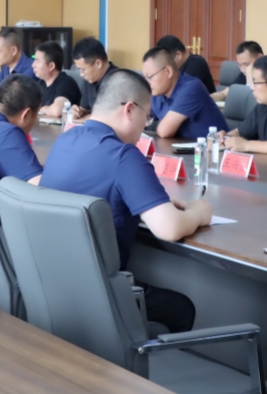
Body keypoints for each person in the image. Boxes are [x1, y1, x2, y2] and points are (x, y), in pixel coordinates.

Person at [41, 69, 212, 333]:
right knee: (181, 308)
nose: (146, 126)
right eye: (147, 116)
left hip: (52, 285)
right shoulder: (124, 156)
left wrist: (156, 202)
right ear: (129, 109)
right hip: (100, 293)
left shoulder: (66, 140)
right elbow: (169, 229)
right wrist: (199, 212)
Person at [142, 47, 227, 140]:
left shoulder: (191, 88)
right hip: (179, 147)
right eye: (145, 78)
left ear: (168, 71)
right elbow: (136, 115)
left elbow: (165, 131)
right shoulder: (157, 92)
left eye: (150, 77)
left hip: (214, 147)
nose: (147, 83)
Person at [71, 37, 118, 120]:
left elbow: (112, 116)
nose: (81, 74)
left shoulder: (119, 81)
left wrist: (88, 118)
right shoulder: (89, 79)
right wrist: (78, 111)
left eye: (83, 70)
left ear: (98, 64)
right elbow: (85, 109)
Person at [32, 41, 81, 116]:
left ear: (51, 66)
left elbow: (57, 110)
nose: (33, 65)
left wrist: (41, 109)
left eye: (37, 61)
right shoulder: (40, 84)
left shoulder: (66, 83)